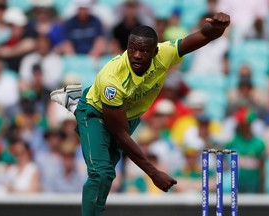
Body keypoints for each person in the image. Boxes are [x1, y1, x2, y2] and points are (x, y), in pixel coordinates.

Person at [50, 12, 230, 216]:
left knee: (107, 174)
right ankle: (77, 105)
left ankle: (73, 100)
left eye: (144, 51)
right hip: (96, 112)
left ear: (155, 52)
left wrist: (219, 27)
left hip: (127, 115)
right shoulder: (112, 79)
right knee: (100, 173)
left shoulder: (165, 53)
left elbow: (204, 36)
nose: (136, 55)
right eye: (132, 49)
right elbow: (120, 134)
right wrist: (153, 173)